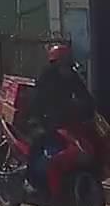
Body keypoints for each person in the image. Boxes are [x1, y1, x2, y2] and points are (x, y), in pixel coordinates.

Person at [26, 43, 96, 191]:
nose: (66, 66)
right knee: (41, 143)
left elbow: (85, 96)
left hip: (65, 121)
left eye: (67, 61)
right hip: (43, 118)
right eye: (63, 61)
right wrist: (38, 118)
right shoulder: (46, 76)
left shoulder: (72, 76)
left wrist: (87, 108)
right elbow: (37, 100)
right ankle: (31, 179)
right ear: (55, 62)